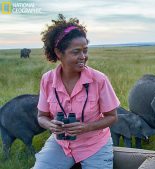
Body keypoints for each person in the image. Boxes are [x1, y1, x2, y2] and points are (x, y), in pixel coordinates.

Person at [33, 14, 120, 169]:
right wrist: (50, 125)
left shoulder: (99, 80)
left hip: (94, 145)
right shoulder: (47, 80)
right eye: (76, 52)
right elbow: (41, 117)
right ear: (59, 53)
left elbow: (112, 117)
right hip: (60, 144)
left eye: (85, 51)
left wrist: (87, 127)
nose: (83, 57)